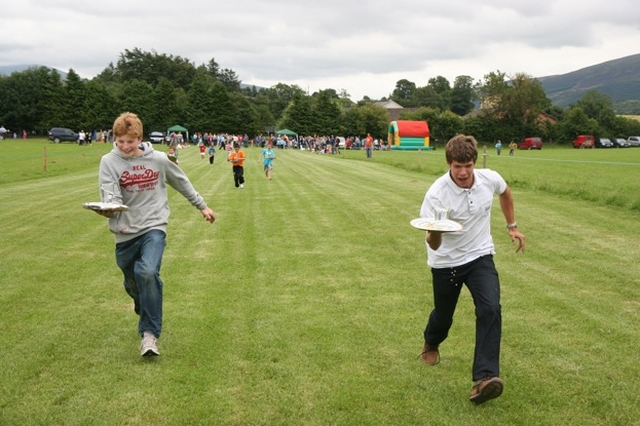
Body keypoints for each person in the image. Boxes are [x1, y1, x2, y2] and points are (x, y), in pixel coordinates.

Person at [96, 112, 215, 357]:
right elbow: (110, 196)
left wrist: (202, 205)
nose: (126, 147)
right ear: (115, 139)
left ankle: (149, 336)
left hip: (153, 226)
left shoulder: (158, 159)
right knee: (134, 280)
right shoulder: (108, 162)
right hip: (125, 231)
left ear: (140, 137)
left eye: (131, 141)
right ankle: (141, 300)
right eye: (121, 142)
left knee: (147, 272)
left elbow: (181, 182)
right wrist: (108, 210)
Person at [418, 134, 525, 404]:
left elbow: (506, 192)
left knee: (490, 308)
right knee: (443, 316)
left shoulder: (489, 178)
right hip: (447, 261)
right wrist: (435, 232)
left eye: (467, 165)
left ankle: (485, 378)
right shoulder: (437, 194)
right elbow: (433, 244)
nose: (463, 172)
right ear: (449, 164)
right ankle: (431, 342)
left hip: (480, 256)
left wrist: (512, 226)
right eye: (457, 166)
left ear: (475, 162)